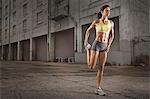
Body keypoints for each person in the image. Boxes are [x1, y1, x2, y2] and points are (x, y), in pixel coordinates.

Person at [84, 5, 114, 96]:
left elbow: (112, 35)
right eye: (106, 10)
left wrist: (108, 45)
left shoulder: (111, 23)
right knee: (91, 67)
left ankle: (98, 88)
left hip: (104, 46)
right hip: (96, 45)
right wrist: (86, 41)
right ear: (102, 11)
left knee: (101, 68)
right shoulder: (96, 22)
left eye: (109, 10)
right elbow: (88, 30)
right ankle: (88, 50)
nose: (108, 12)